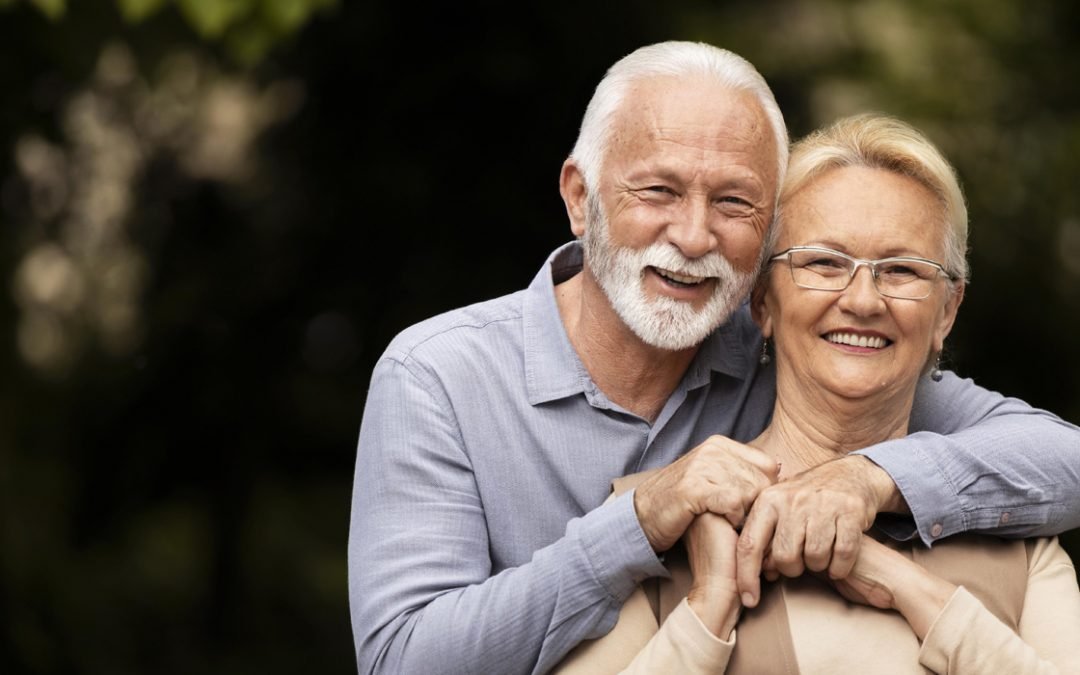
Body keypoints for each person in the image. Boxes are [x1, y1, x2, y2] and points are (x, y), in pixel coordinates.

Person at [348, 41, 1080, 674]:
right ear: (581, 196)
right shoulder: (437, 376)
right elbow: (406, 659)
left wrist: (868, 478)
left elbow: (1059, 457)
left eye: (734, 203)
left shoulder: (797, 353)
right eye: (659, 189)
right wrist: (639, 521)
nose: (694, 235)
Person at [555, 113, 1080, 674]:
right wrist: (707, 607)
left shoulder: (1020, 544)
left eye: (901, 270)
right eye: (824, 264)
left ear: (946, 311)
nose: (862, 300)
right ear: (761, 302)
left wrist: (913, 590)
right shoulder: (658, 521)